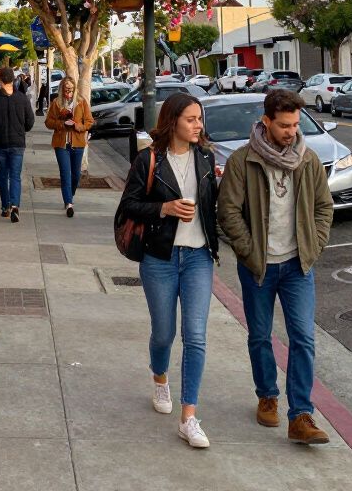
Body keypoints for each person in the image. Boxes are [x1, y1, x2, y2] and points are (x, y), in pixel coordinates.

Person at [217, 89, 333, 446]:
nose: (291, 132)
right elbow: (228, 212)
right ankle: (267, 393)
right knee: (260, 335)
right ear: (266, 122)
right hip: (259, 268)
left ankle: (300, 415)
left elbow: (323, 208)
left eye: (296, 124)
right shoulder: (243, 161)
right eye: (284, 125)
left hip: (299, 265)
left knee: (303, 338)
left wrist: (313, 244)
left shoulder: (308, 160)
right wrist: (251, 252)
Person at [116, 93, 218, 449]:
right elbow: (128, 204)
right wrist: (165, 208)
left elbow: (215, 205)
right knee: (163, 333)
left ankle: (189, 417)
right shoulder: (149, 160)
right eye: (191, 119)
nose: (198, 125)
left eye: (199, 119)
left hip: (198, 258)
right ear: (172, 120)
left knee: (196, 336)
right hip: (159, 258)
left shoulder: (206, 158)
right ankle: (160, 377)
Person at [0, 65, 34, 222]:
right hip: (18, 142)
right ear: (13, 79)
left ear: (0, 80)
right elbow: (30, 122)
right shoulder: (22, 98)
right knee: (15, 176)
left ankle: (6, 206)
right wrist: (20, 130)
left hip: (0, 143)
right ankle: (15, 205)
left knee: (3, 176)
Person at [45, 76, 93, 217]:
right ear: (62, 89)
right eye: (66, 89)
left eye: (71, 89)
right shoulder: (57, 103)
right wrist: (61, 124)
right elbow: (48, 122)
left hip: (77, 143)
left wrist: (78, 126)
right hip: (61, 144)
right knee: (65, 174)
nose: (68, 92)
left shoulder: (81, 102)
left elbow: (90, 121)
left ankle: (69, 195)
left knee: (75, 175)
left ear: (75, 89)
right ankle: (69, 203)